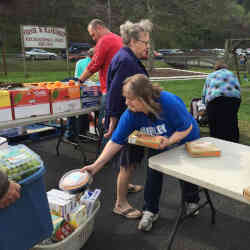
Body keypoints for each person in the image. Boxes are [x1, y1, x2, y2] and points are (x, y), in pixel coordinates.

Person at [81, 74, 201, 231]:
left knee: (186, 171)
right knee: (153, 170)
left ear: (144, 97)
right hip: (158, 141)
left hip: (185, 136)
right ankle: (150, 210)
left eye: (130, 98)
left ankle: (191, 200)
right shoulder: (131, 114)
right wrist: (95, 166)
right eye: (125, 98)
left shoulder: (168, 102)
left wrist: (169, 141)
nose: (126, 102)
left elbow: (186, 128)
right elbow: (115, 142)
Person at [103, 19, 153, 219]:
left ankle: (127, 185)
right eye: (145, 42)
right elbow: (116, 94)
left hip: (126, 118)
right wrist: (114, 122)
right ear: (133, 41)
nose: (147, 46)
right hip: (126, 120)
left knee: (128, 160)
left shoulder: (126, 57)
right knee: (127, 163)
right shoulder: (126, 61)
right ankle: (120, 203)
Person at [78, 19, 123, 133]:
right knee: (118, 125)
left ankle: (106, 150)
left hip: (110, 90)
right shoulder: (119, 39)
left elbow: (94, 64)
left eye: (93, 34)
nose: (93, 38)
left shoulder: (104, 40)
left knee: (105, 126)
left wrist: (79, 81)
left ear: (99, 28)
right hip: (122, 88)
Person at [202, 60, 241, 142]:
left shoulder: (211, 75)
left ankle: (217, 141)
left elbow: (205, 92)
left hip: (216, 99)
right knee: (231, 121)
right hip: (234, 99)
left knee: (215, 123)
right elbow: (238, 87)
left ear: (215, 68)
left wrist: (204, 105)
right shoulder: (232, 74)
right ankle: (233, 142)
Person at [64, 48, 95, 142]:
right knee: (83, 110)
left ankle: (71, 134)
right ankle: (82, 133)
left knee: (73, 110)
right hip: (90, 91)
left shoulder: (80, 62)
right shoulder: (95, 62)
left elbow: (76, 78)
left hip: (78, 90)